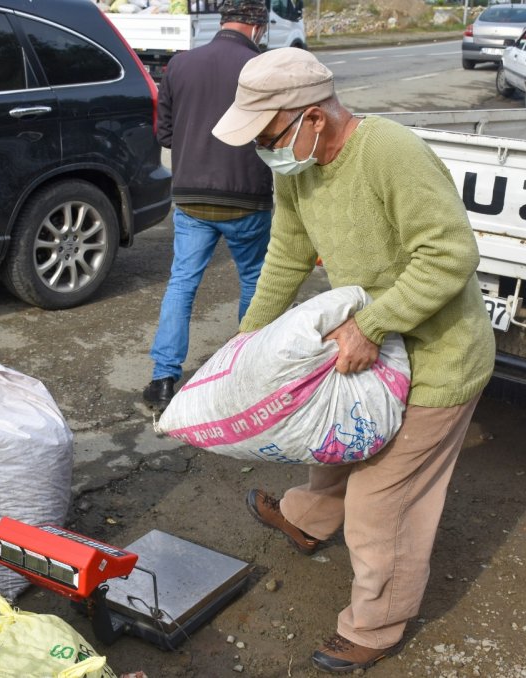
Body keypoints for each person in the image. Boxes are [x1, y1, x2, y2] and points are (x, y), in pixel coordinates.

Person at [212, 48, 495, 674]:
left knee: (382, 499)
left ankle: (377, 623)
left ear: (313, 116)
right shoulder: (298, 165)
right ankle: (307, 519)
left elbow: (450, 254)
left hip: (438, 352)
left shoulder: (390, 151)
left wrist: (371, 324)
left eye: (268, 134)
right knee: (339, 441)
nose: (264, 149)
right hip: (375, 349)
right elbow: (287, 253)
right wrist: (246, 342)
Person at [142, 0, 274, 412]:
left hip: (192, 197)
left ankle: (164, 380)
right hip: (247, 197)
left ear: (222, 21)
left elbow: (164, 133)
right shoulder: (263, 67)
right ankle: (247, 374)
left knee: (182, 283)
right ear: (259, 25)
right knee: (254, 281)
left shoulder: (180, 64)